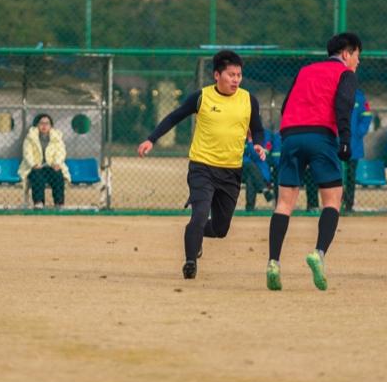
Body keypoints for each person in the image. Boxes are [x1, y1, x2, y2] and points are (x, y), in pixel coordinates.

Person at [138, 50, 265, 280]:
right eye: (231, 75)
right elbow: (174, 117)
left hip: (231, 171)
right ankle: (190, 261)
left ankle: (194, 234)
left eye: (239, 75)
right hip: (202, 167)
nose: (236, 79)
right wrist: (151, 139)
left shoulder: (248, 100)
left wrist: (258, 144)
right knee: (199, 214)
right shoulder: (202, 97)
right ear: (217, 75)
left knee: (220, 229)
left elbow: (257, 128)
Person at [265, 32, 361, 292]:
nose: (357, 62)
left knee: (284, 203)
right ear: (346, 54)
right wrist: (345, 140)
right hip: (320, 136)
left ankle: (273, 262)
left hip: (291, 135)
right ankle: (318, 253)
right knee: (332, 200)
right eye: (357, 56)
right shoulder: (345, 74)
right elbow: (343, 105)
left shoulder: (305, 70)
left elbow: (285, 106)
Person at [21, 113, 70, 209]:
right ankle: (38, 202)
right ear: (37, 125)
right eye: (41, 123)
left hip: (51, 166)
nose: (44, 126)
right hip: (36, 166)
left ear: (51, 126)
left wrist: (57, 163)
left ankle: (59, 203)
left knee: (58, 174)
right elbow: (27, 153)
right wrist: (33, 164)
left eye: (47, 123)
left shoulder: (57, 138)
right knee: (37, 175)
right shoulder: (30, 138)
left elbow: (61, 152)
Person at [341, 88, 374, 212]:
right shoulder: (331, 94)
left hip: (353, 144)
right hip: (336, 142)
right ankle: (335, 203)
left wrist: (358, 132)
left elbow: (366, 117)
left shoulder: (359, 97)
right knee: (335, 175)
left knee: (350, 176)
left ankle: (349, 205)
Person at [242, 135, 274, 211]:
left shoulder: (266, 136)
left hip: (263, 174)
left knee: (250, 178)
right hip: (245, 173)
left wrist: (250, 141)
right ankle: (265, 190)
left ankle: (249, 208)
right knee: (249, 168)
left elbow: (256, 155)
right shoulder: (242, 137)